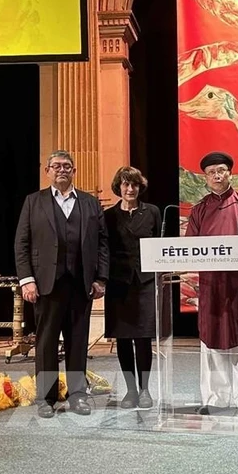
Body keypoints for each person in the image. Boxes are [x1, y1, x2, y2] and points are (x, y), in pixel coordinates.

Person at [14, 150, 109, 418]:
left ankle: (78, 394)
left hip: (81, 284)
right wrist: (27, 280)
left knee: (78, 341)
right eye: (56, 166)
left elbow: (102, 244)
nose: (62, 170)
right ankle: (46, 397)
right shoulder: (34, 202)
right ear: (47, 171)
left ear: (74, 171)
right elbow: (22, 243)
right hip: (46, 285)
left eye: (67, 166)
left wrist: (101, 278)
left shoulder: (90, 203)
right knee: (46, 342)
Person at [185, 151, 238, 416]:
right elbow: (189, 246)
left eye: (221, 171)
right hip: (211, 286)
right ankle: (215, 398)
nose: (217, 176)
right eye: (211, 173)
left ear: (230, 173)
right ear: (206, 178)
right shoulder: (199, 209)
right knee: (211, 344)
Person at [104, 166, 161, 409]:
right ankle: (130, 390)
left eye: (134, 185)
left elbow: (160, 243)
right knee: (123, 338)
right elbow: (103, 250)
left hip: (145, 282)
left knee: (143, 338)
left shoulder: (153, 212)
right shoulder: (107, 216)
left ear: (140, 187)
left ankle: (146, 390)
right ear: (119, 187)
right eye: (126, 184)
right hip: (118, 284)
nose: (130, 189)